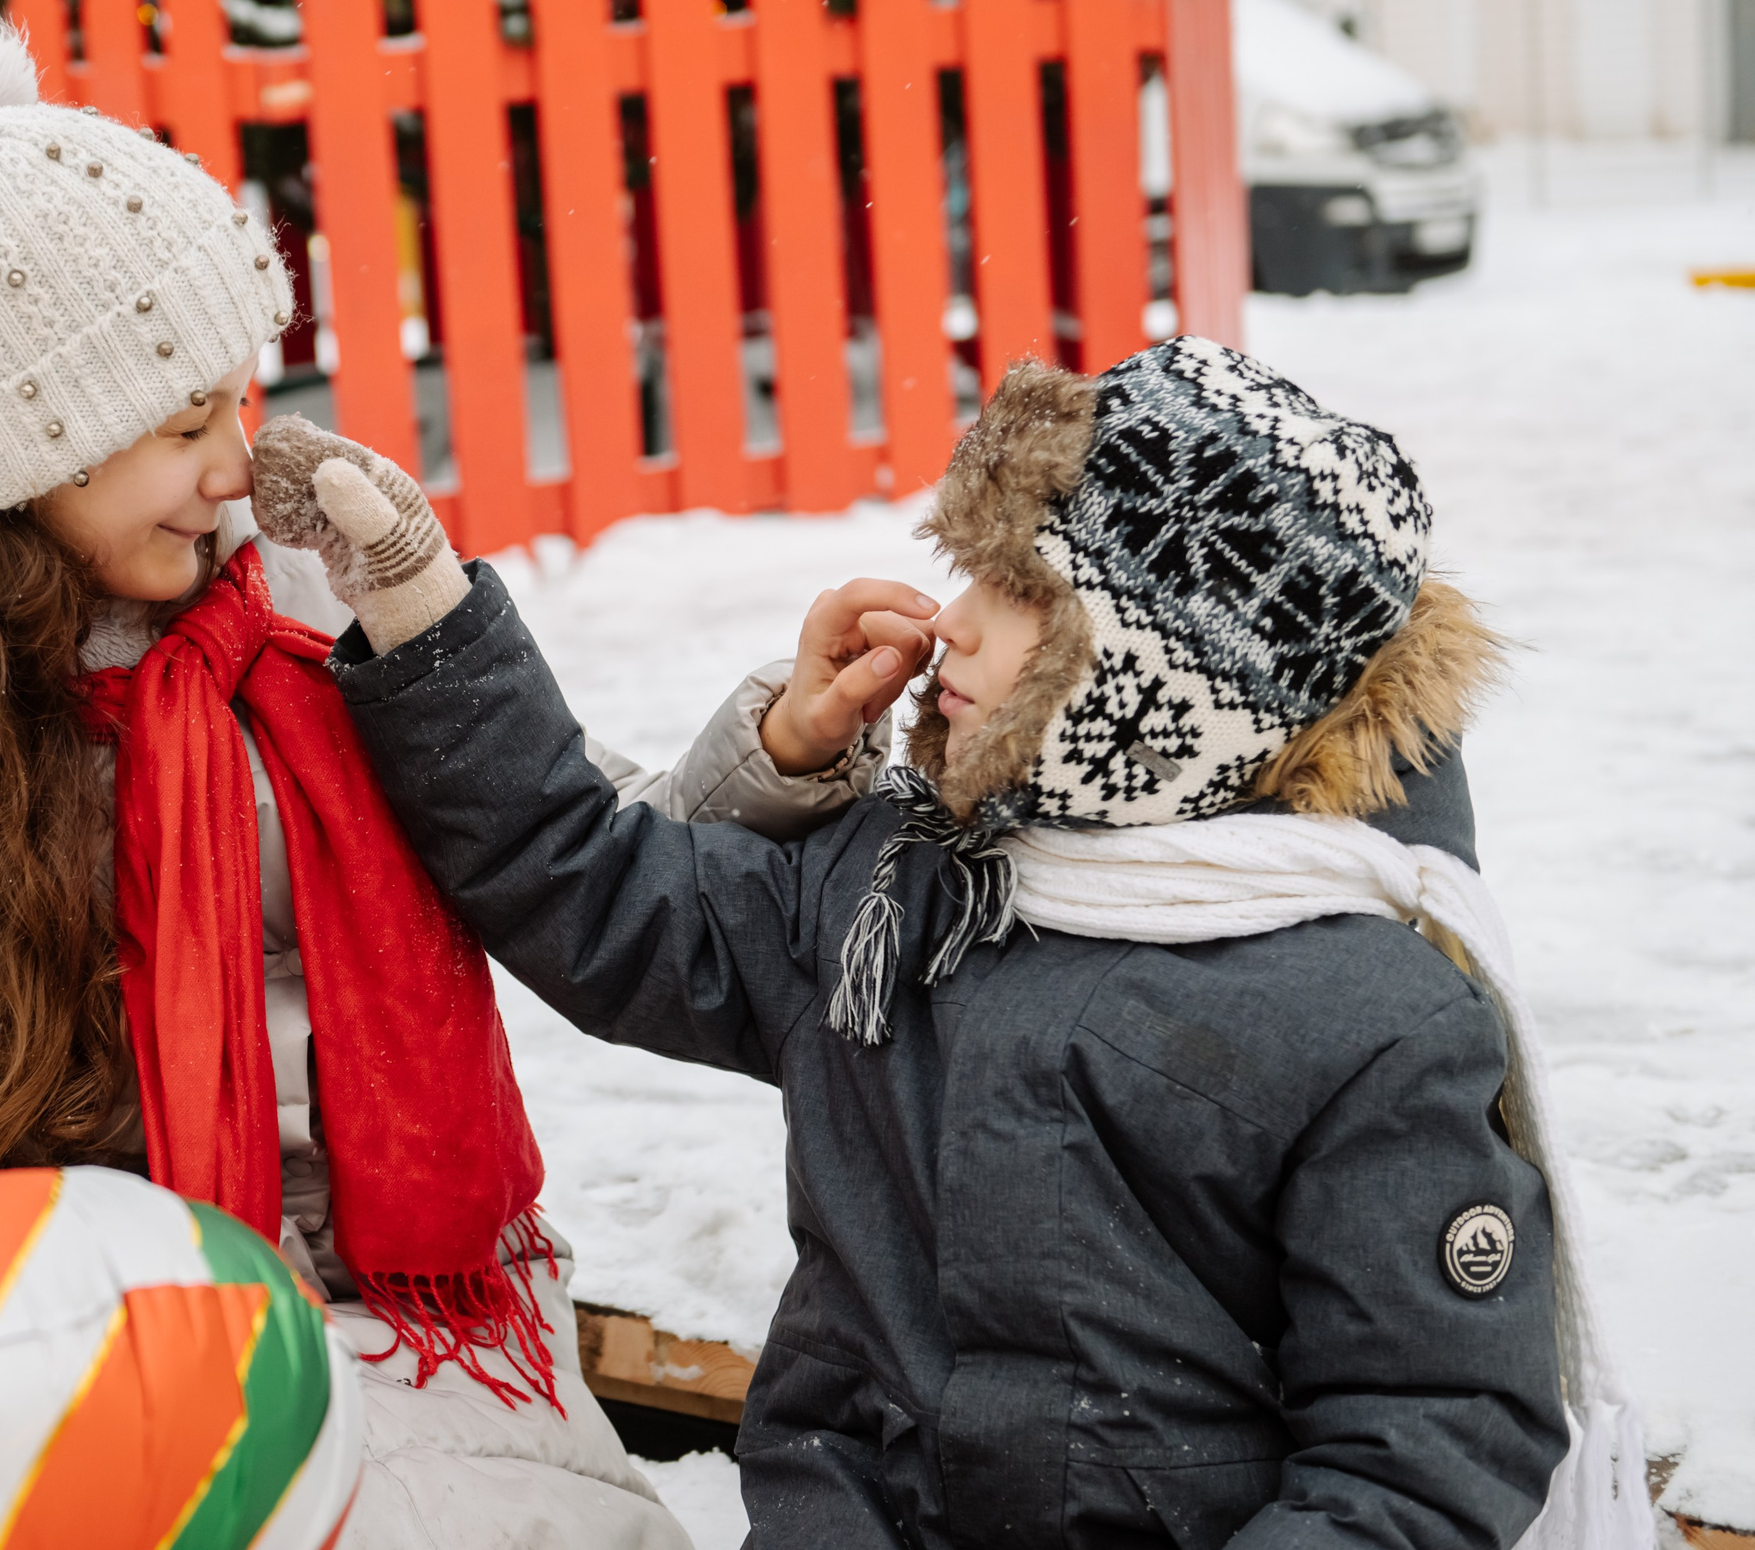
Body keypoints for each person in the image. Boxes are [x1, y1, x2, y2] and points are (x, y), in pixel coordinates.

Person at [0, 4, 878, 1547]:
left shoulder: (321, 628)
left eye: (237, 404)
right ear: (22, 457)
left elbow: (574, 852)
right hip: (91, 1370)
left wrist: (777, 746)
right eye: (185, 422)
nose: (231, 462)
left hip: (436, 1308)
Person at [257, 338, 1652, 1550]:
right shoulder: (897, 886)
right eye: (973, 572)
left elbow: (1426, 1427)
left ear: (1168, 676)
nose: (955, 623)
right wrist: (425, 610)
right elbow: (595, 888)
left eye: (1025, 592)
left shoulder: (1364, 1015)